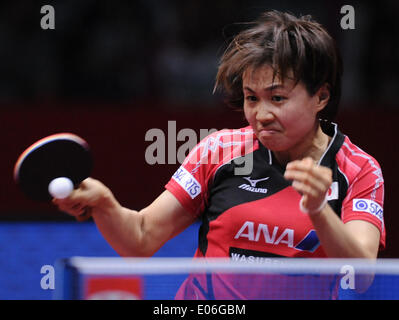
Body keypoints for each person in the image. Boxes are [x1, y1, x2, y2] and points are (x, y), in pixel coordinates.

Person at [54, 11, 385, 299]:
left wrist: (318, 210)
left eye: (278, 98)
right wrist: (105, 204)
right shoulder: (220, 151)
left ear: (321, 96)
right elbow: (141, 239)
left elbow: (362, 275)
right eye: (251, 98)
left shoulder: (358, 171)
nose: (261, 114)